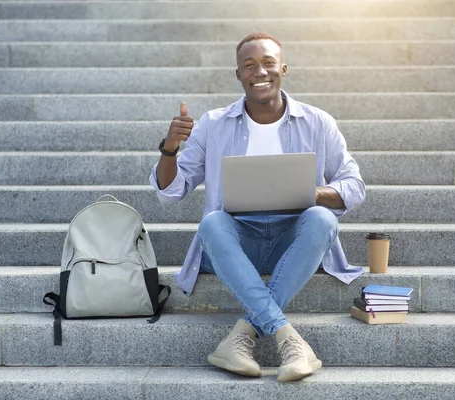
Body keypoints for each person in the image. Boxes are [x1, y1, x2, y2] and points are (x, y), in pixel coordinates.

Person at [149, 32, 366, 382]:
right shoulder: (213, 124)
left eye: (267, 63)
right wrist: (170, 149)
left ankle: (241, 337)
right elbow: (169, 192)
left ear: (283, 68)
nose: (259, 71)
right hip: (238, 242)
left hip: (291, 242)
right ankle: (287, 339)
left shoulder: (318, 122)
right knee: (212, 223)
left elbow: (354, 187)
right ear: (238, 75)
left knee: (322, 219)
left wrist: (306, 192)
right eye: (249, 65)